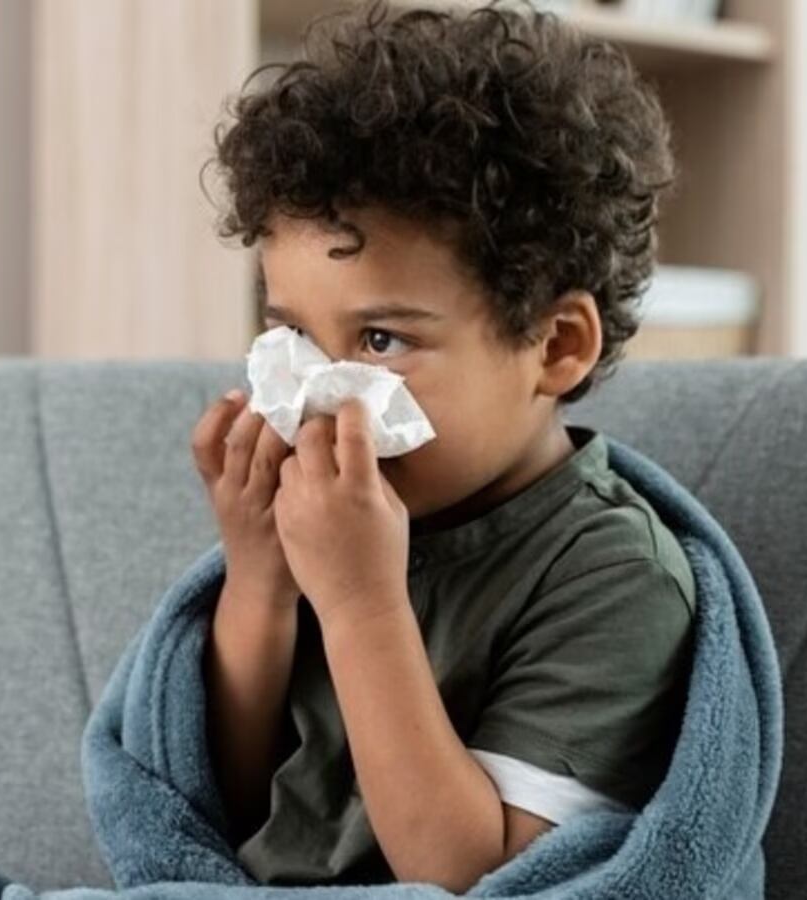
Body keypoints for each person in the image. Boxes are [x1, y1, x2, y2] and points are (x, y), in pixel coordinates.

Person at [193, 1, 693, 892]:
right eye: (298, 337)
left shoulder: (611, 573)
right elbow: (221, 800)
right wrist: (258, 577)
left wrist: (359, 605)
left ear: (555, 347)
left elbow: (477, 875)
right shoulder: (340, 512)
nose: (322, 394)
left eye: (381, 340)